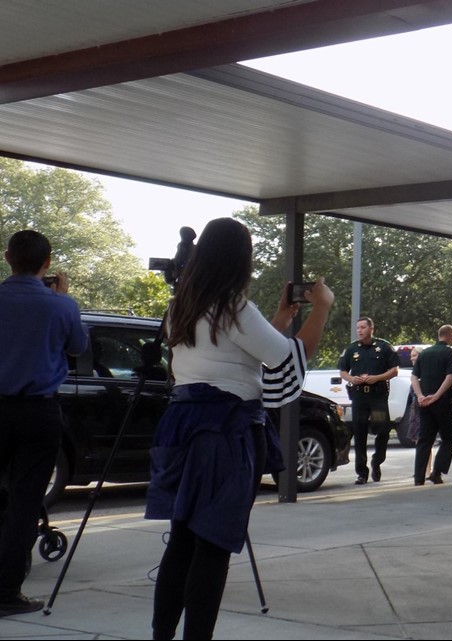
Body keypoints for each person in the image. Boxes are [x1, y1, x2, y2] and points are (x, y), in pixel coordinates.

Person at [145, 217, 333, 640]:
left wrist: (280, 319)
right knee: (212, 546)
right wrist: (321, 308)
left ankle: (161, 636)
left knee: (181, 542)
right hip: (224, 433)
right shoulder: (234, 307)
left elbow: (232, 349)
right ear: (241, 260)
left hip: (182, 425)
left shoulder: (181, 305)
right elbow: (287, 362)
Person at [0, 230, 87, 618]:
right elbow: (78, 347)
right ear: (47, 263)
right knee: (24, 502)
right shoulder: (60, 306)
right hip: (38, 413)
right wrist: (63, 297)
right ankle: (6, 591)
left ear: (7, 257)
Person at [337, 316, 399, 485]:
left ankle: (377, 461)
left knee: (382, 430)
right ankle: (361, 473)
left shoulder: (383, 347)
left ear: (371, 329)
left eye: (363, 327)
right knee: (360, 432)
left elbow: (394, 370)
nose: (360, 330)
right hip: (359, 398)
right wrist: (351, 378)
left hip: (377, 397)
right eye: (358, 328)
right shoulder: (351, 349)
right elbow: (342, 371)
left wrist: (377, 378)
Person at [411, 325, 452, 486]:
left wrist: (420, 396)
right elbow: (450, 376)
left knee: (425, 440)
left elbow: (413, 377)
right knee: (449, 438)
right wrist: (437, 396)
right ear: (451, 337)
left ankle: (419, 478)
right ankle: (436, 472)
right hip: (442, 403)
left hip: (424, 403)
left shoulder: (424, 353)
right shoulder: (449, 353)